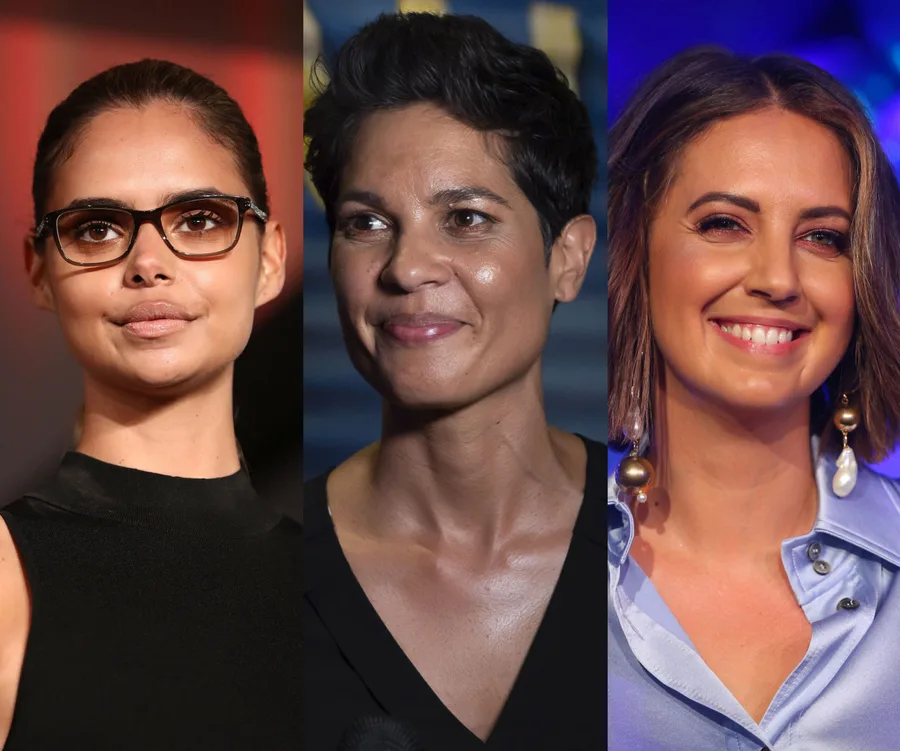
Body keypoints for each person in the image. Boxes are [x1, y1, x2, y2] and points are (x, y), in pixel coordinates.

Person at [303, 11, 603, 751]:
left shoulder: (662, 552)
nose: (408, 267)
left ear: (568, 258)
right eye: (366, 223)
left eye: (465, 218)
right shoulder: (258, 584)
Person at [0, 60, 301, 749]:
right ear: (40, 272)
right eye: (97, 228)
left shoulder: (341, 592)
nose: (148, 262)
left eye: (198, 220)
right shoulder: (7, 579)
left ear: (270, 260)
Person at [608, 46, 900, 750]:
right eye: (724, 224)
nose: (778, 277)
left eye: (823, 237)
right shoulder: (542, 563)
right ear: (633, 253)